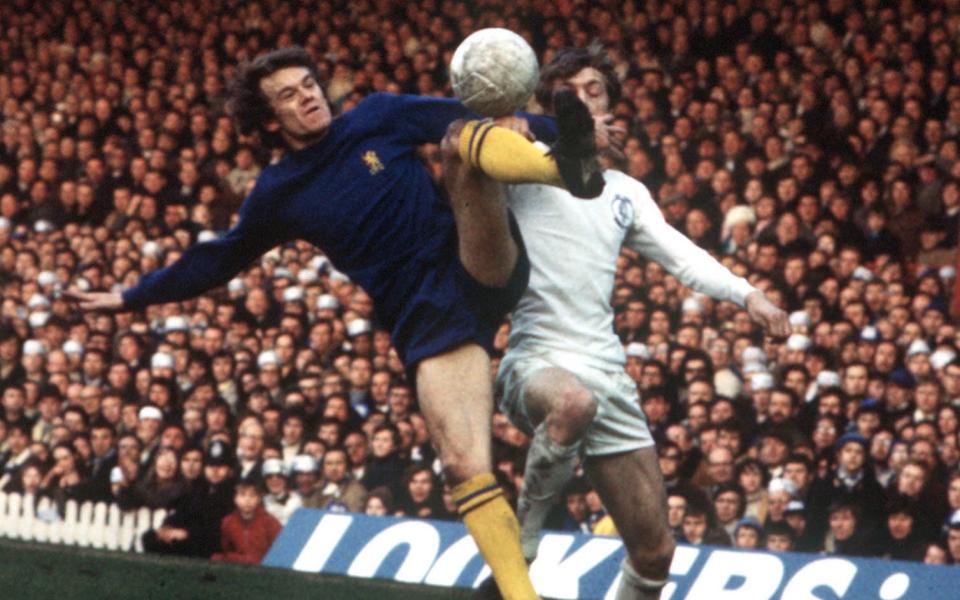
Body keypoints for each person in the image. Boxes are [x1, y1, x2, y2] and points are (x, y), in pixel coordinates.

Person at [65, 46, 602, 600]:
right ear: (272, 118)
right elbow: (219, 258)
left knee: (461, 140)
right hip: (424, 315)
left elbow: (468, 118)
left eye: (309, 84)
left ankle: (566, 169)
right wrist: (131, 298)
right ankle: (521, 595)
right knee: (463, 463)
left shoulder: (377, 115)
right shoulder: (278, 193)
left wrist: (556, 129)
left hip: (475, 257)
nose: (308, 96)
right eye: (290, 95)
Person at [493, 45, 789, 600]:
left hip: (607, 371)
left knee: (656, 554)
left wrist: (751, 296)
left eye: (595, 90)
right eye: (569, 93)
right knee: (571, 403)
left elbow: (683, 255)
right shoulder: (519, 167)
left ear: (612, 110)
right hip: (537, 360)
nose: (583, 101)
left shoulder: (626, 193)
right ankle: (521, 542)